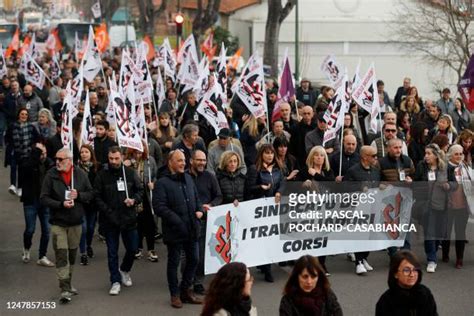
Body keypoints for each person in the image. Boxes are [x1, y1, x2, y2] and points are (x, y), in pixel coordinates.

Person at [40, 147, 94, 303]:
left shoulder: (80, 174)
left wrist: (79, 195)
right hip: (58, 223)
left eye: (60, 159)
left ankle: (68, 284)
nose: (57, 162)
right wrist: (60, 204)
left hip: (76, 223)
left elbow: (91, 193)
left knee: (71, 257)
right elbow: (43, 198)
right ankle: (64, 289)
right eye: (56, 159)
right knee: (61, 256)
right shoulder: (51, 175)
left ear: (69, 161)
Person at [153, 150, 204, 308]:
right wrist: (177, 221)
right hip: (175, 231)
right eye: (179, 160)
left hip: (192, 228)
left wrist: (200, 210)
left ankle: (185, 290)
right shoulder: (162, 183)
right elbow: (159, 207)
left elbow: (196, 198)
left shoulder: (188, 178)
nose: (183, 163)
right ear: (170, 162)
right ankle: (174, 294)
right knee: (174, 263)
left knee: (194, 259)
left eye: (184, 160)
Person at [94, 146, 144, 295]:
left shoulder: (130, 173)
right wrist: (108, 211)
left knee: (133, 248)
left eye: (116, 158)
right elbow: (97, 196)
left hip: (128, 218)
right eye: (111, 159)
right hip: (110, 220)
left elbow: (140, 190)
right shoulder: (102, 175)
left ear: (121, 157)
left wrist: (134, 200)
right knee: (112, 252)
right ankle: (115, 280)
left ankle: (124, 269)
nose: (114, 161)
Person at [414, 143, 456, 273]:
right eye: (425, 153)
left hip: (442, 205)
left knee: (439, 232)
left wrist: (449, 185)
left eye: (429, 154)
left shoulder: (446, 168)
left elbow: (455, 184)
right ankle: (431, 259)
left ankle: (433, 252)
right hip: (427, 205)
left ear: (436, 155)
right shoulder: (422, 166)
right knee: (429, 232)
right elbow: (417, 182)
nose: (426, 156)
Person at [248, 144, 284, 282]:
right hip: (260, 209)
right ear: (261, 154)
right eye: (267, 153)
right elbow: (249, 188)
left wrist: (279, 192)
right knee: (264, 239)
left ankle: (265, 264)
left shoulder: (277, 168)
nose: (269, 156)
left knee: (271, 238)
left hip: (274, 209)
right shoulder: (254, 169)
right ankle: (267, 268)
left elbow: (282, 182)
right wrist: (261, 188)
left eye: (271, 153)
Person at [188, 150, 222, 295]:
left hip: (204, 220)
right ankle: (186, 280)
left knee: (200, 254)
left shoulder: (210, 176)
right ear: (191, 161)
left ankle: (198, 282)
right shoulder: (185, 177)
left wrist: (211, 205)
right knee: (186, 255)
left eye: (204, 160)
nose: (202, 163)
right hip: (187, 220)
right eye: (198, 160)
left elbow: (219, 196)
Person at [344, 146, 380, 274]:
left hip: (373, 207)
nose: (376, 158)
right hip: (358, 208)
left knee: (370, 235)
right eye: (373, 155)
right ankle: (358, 262)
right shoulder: (353, 171)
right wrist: (360, 188)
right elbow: (345, 188)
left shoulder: (375, 171)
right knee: (360, 235)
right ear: (365, 157)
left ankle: (364, 258)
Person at [21, 142, 55, 266]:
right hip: (31, 201)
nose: (43, 156)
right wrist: (35, 155)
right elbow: (25, 170)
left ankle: (42, 255)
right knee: (30, 229)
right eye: (40, 153)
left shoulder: (49, 163)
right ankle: (26, 248)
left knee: (46, 230)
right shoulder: (27, 161)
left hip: (44, 201)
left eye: (44, 153)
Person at [123, 145, 158, 263]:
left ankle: (151, 249)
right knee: (137, 223)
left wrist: (153, 183)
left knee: (150, 223)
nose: (137, 155)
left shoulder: (149, 161)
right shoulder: (127, 162)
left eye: (140, 152)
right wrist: (125, 165)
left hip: (147, 196)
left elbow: (155, 175)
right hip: (135, 195)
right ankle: (138, 248)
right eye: (135, 152)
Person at [376, 250, 438, 316]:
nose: (412, 274)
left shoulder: (425, 294)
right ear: (395, 273)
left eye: (415, 270)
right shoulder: (386, 301)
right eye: (406, 270)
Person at [441, 144, 470, 269]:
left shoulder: (466, 168)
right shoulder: (444, 168)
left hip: (463, 206)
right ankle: (445, 253)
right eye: (456, 154)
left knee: (460, 233)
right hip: (448, 206)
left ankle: (459, 259)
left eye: (460, 154)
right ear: (450, 155)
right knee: (446, 232)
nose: (459, 156)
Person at [6, 108, 40, 197]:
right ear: (19, 115)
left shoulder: (31, 126)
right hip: (15, 151)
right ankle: (13, 185)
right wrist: (9, 146)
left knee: (22, 170)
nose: (24, 116)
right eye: (22, 114)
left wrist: (32, 147)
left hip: (26, 152)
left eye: (26, 114)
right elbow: (7, 137)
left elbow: (37, 138)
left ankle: (20, 187)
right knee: (13, 167)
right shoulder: (12, 125)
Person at [77, 144, 99, 265]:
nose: (84, 154)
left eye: (86, 152)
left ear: (91, 154)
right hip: (80, 203)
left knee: (91, 228)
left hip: (93, 204)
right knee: (83, 228)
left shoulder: (97, 168)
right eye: (82, 152)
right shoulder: (76, 168)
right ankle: (83, 252)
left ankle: (88, 244)